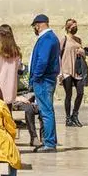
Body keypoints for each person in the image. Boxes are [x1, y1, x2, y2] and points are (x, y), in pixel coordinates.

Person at [29, 14, 61, 153]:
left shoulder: (47, 38)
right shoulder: (50, 37)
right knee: (46, 111)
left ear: (38, 25)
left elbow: (42, 60)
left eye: (34, 26)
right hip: (45, 79)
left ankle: (49, 143)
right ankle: (49, 141)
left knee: (46, 112)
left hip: (43, 80)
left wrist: (35, 77)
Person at [60, 18, 88, 127]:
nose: (75, 28)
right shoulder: (64, 39)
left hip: (78, 70)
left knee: (80, 93)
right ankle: (68, 118)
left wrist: (83, 52)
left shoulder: (78, 40)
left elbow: (83, 56)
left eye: (76, 26)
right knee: (68, 95)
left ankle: (75, 115)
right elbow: (58, 55)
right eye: (74, 26)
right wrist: (59, 72)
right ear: (68, 28)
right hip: (66, 70)